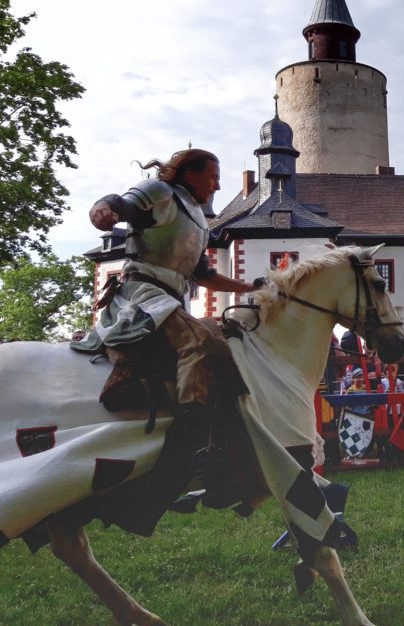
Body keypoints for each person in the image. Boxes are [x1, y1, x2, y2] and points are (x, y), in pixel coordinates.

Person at [73, 148, 255, 528]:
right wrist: (100, 212)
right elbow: (117, 205)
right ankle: (193, 439)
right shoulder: (159, 192)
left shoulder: (200, 220)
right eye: (212, 177)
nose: (218, 185)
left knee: (225, 342)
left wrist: (248, 286)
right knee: (199, 342)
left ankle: (221, 438)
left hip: (172, 300)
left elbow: (202, 275)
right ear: (190, 174)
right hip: (141, 295)